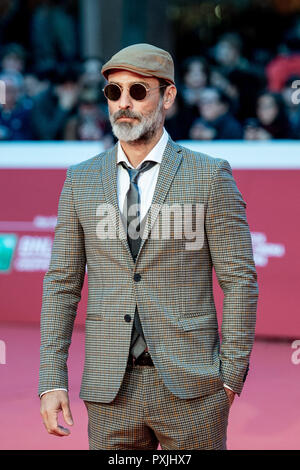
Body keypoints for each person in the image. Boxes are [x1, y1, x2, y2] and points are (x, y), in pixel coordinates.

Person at [39, 43, 258, 450]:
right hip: (109, 391)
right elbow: (61, 285)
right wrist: (51, 379)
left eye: (138, 91)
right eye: (114, 92)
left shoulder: (209, 176)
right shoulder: (80, 181)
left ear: (168, 96)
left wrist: (230, 375)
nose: (124, 103)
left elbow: (240, 279)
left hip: (193, 389)